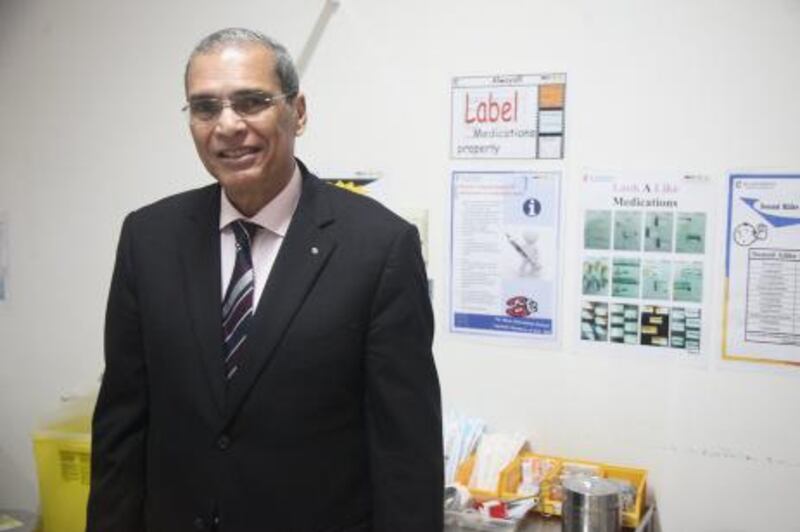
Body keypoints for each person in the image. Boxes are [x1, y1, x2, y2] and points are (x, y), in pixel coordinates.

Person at [87, 28, 443, 532]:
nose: (228, 126)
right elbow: (121, 427)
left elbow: (406, 456)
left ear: (297, 112)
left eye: (251, 102)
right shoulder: (148, 239)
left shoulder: (379, 248)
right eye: (205, 108)